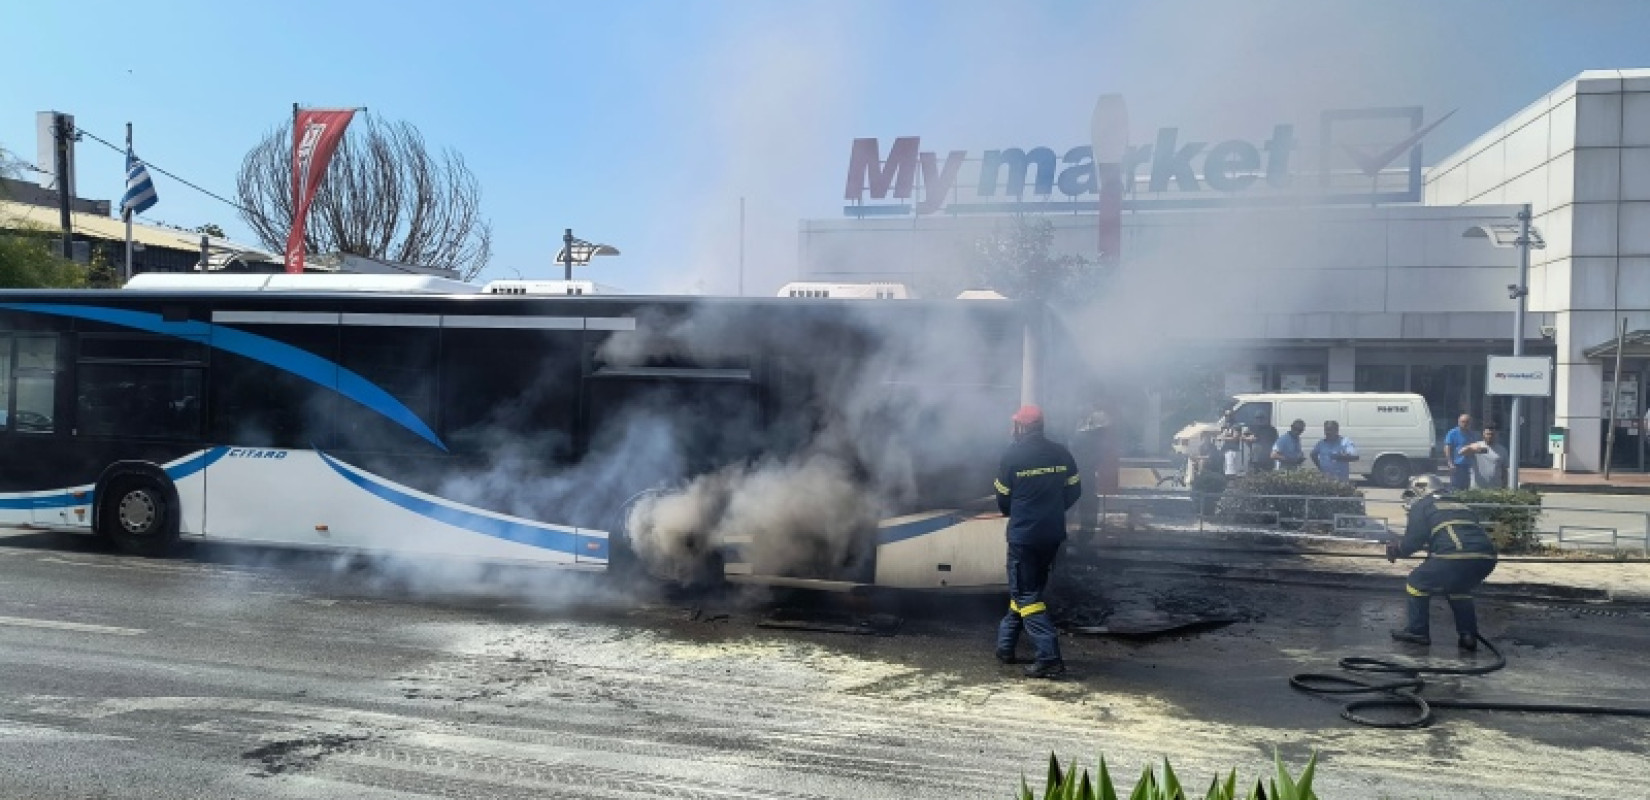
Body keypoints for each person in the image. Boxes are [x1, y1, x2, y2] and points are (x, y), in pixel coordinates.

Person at [994, 405, 1081, 679]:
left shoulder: (1012, 455)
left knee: (1026, 595)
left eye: (1015, 424)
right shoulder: (1061, 452)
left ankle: (1049, 657)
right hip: (1052, 534)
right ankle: (1005, 646)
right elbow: (1075, 490)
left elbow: (1003, 500)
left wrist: (1021, 513)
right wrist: (1052, 511)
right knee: (1027, 590)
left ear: (1022, 427)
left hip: (1024, 536)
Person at [1386, 474, 1498, 650]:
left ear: (1422, 489)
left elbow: (1412, 543)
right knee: (1458, 587)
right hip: (1486, 558)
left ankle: (1417, 631)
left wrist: (1396, 549)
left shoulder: (1423, 505)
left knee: (1417, 582)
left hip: (1454, 556)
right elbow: (1454, 533)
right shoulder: (1460, 504)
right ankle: (1468, 635)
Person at [1464, 424, 1508, 489]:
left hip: (1496, 489)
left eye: (1492, 434)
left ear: (1496, 435)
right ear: (1483, 434)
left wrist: (1504, 486)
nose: (1490, 436)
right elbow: (1461, 452)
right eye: (1487, 434)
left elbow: (1504, 470)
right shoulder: (1476, 446)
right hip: (1477, 489)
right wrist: (1469, 447)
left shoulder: (1502, 450)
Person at [1443, 414, 1479, 491]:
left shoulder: (1472, 434)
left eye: (1467, 422)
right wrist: (1450, 463)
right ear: (1459, 422)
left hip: (1468, 465)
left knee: (1466, 487)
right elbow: (1447, 448)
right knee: (1455, 487)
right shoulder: (1452, 433)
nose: (1465, 424)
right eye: (1463, 422)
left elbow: (1474, 448)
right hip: (1456, 465)